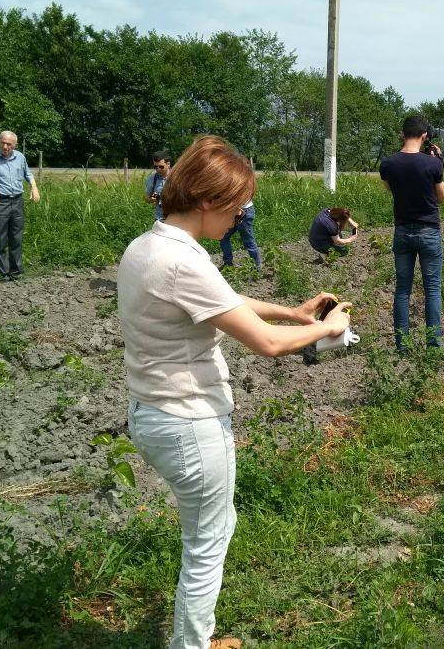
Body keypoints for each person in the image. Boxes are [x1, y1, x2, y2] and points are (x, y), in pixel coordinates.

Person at [117, 135, 350, 649]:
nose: (240, 216)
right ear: (206, 200)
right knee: (208, 545)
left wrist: (293, 312)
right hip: (189, 423)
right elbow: (267, 344)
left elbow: (222, 297)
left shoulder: (148, 246)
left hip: (150, 412)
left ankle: (194, 638)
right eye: (236, 205)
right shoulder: (184, 261)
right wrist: (326, 328)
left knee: (207, 530)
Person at [379, 115, 444, 350]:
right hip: (429, 231)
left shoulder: (388, 164)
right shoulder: (432, 164)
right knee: (432, 290)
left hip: (402, 231)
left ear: (402, 134)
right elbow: (441, 197)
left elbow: (391, 189)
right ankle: (433, 346)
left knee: (402, 290)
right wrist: (438, 163)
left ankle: (402, 346)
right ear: (424, 136)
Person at [0, 130, 40, 281]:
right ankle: (4, 273)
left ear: (15, 145)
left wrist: (34, 188)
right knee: (0, 239)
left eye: (9, 144)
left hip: (17, 201)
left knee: (16, 238)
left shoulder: (20, 157)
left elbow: (28, 174)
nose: (5, 147)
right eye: (2, 143)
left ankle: (16, 272)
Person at [220, 198, 261, 272]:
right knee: (224, 237)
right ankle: (228, 264)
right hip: (233, 211)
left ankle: (257, 268)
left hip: (244, 211)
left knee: (248, 241)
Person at [144, 150, 171, 221]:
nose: (158, 169)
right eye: (155, 167)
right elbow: (146, 198)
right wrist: (151, 199)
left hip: (174, 219)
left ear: (168, 164)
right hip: (159, 219)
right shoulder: (153, 178)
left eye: (161, 167)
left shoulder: (176, 177)